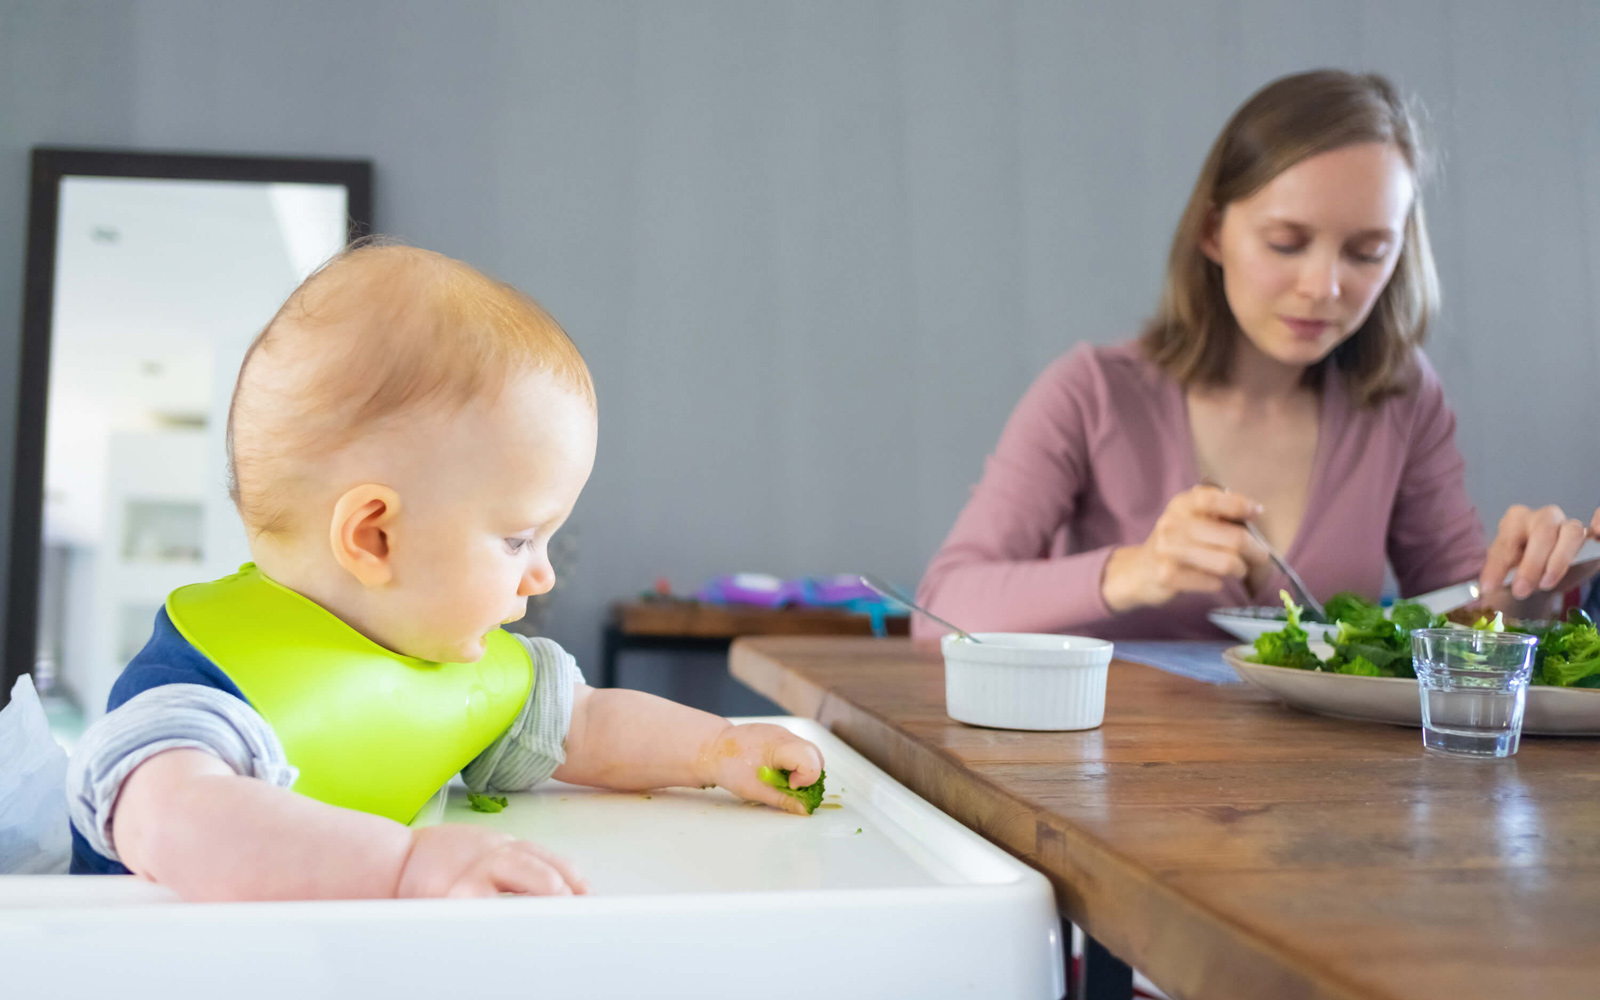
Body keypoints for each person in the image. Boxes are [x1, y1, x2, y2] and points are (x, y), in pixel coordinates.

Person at [65, 244, 824, 901]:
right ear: (376, 537)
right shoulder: (199, 696)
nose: (542, 577)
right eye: (519, 538)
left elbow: (582, 723)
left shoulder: (448, 662)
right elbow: (179, 821)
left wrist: (716, 751)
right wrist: (400, 869)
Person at [915, 70, 1594, 640]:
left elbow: (1461, 616)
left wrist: (1532, 587)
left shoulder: (1401, 398)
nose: (1323, 288)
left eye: (1366, 253)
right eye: (1286, 243)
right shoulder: (1091, 391)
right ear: (1213, 231)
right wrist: (1133, 571)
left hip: (1319, 790)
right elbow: (939, 608)